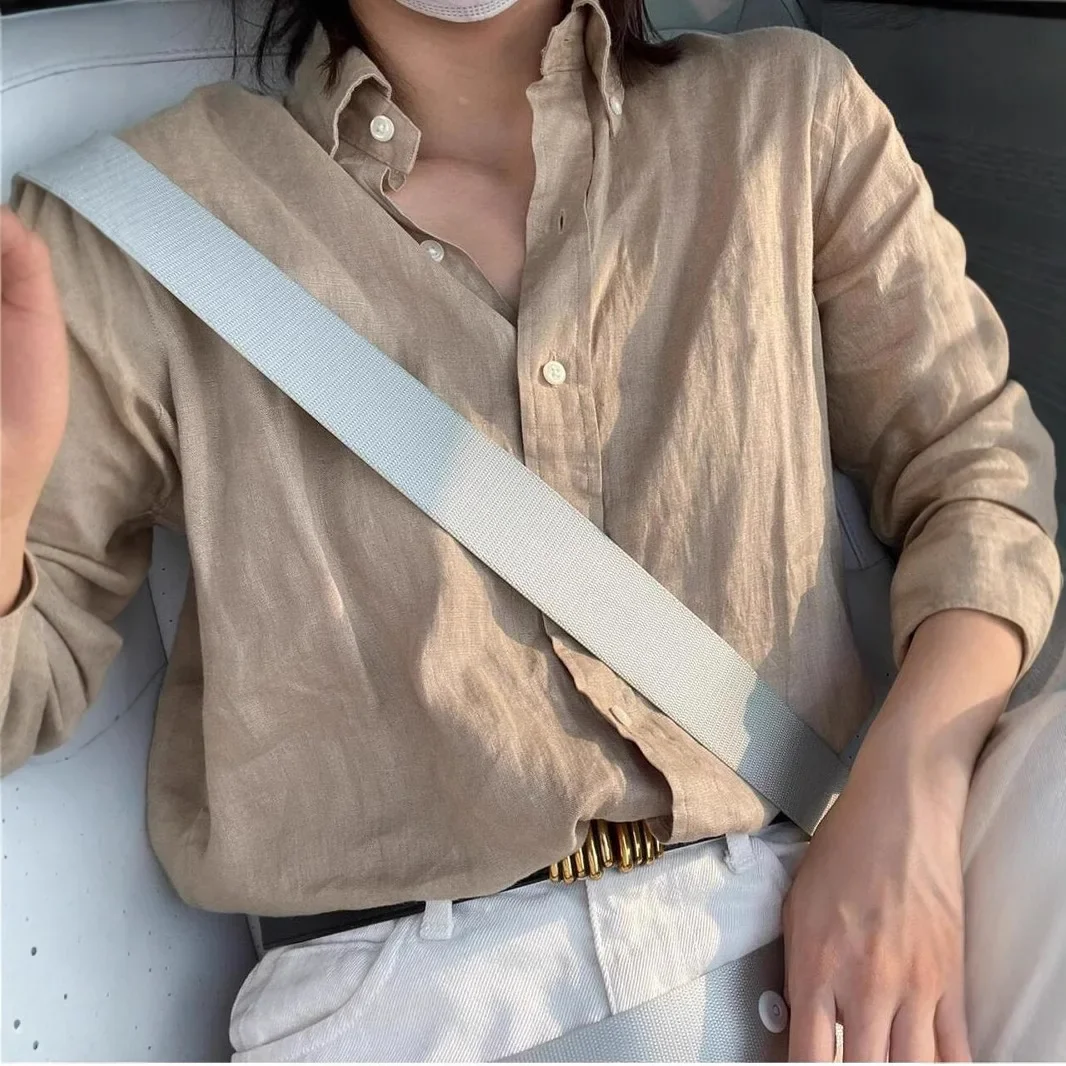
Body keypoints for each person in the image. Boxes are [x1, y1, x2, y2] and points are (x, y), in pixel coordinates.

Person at [2, 0, 1064, 1059]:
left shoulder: (786, 115)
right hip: (414, 1012)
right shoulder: (131, 227)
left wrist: (909, 789)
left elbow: (980, 478)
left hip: (833, 938)